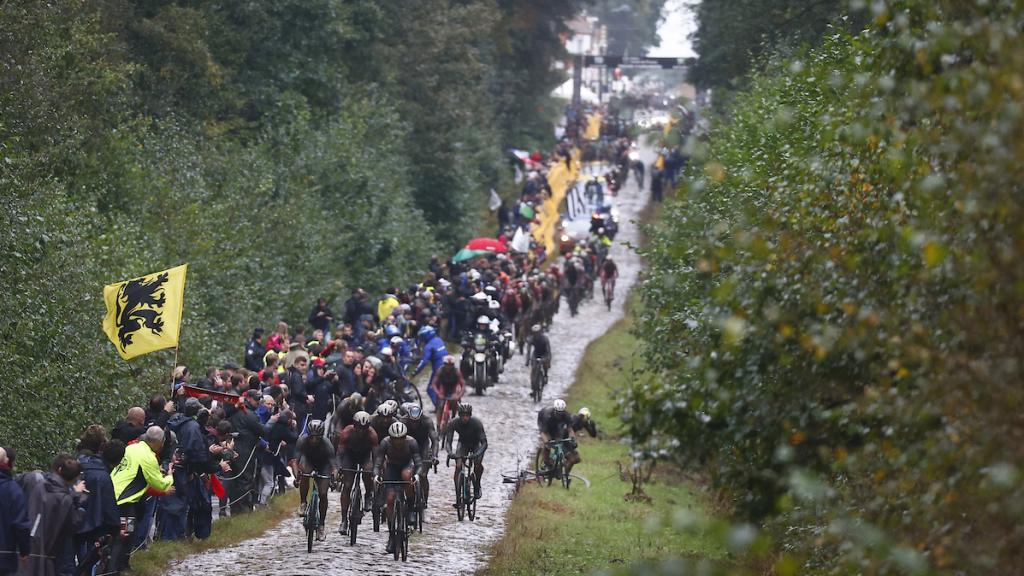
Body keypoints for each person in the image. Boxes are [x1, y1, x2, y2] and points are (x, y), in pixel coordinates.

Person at [16, 454, 86, 576]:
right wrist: (78, 502)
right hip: (48, 553)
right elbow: (73, 525)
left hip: (27, 543)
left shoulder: (39, 485)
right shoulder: (65, 499)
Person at [372, 422, 422, 555]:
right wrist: (376, 475)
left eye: (401, 439)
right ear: (391, 438)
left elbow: (418, 463)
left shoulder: (412, 443)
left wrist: (416, 475)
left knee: (406, 477)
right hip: (392, 468)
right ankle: (391, 534)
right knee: (389, 499)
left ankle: (411, 508)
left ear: (405, 437)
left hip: (407, 465)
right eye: (395, 439)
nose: (398, 442)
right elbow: (378, 462)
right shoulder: (385, 443)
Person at [75, 426, 119, 573]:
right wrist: (115, 527)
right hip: (92, 523)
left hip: (71, 518)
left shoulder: (73, 462)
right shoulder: (100, 471)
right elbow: (107, 503)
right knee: (87, 560)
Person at [228, 390, 276, 515]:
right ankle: (243, 510)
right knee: (245, 480)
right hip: (245, 450)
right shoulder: (248, 414)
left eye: (260, 399)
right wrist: (272, 421)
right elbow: (263, 430)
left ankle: (235, 509)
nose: (258, 402)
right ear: (248, 398)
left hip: (234, 447)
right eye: (256, 399)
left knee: (236, 480)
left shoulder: (236, 411)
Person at [334, 411, 378, 536]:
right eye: (359, 428)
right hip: (350, 456)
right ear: (354, 425)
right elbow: (339, 454)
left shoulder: (372, 435)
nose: (361, 431)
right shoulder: (346, 433)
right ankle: (343, 520)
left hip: (365, 456)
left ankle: (368, 494)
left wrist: (375, 471)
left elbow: (376, 456)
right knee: (347, 486)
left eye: (365, 428)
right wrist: (339, 468)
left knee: (368, 471)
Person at [292, 420, 335, 541]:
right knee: (305, 473)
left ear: (321, 437)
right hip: (309, 461)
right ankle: (303, 503)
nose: (314, 441)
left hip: (324, 465)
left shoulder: (327, 444)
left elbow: (334, 465)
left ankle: (321, 525)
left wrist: (334, 478)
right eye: (311, 437)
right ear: (308, 436)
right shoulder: (302, 441)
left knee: (323, 493)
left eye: (317, 438)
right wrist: (297, 476)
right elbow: (295, 460)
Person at [441, 403, 487, 501]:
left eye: (467, 415)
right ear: (459, 415)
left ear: (470, 415)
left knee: (477, 463)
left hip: (476, 444)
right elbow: (448, 442)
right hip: (463, 443)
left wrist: (477, 454)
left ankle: (477, 485)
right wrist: (450, 453)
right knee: (458, 466)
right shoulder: (453, 423)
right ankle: (458, 494)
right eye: (463, 415)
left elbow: (484, 443)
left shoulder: (477, 423)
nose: (465, 418)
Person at [0, 446, 30, 576]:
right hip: (4, 558)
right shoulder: (12, 490)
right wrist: (24, 551)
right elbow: (20, 524)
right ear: (6, 462)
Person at [401, 405, 438, 508]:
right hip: (407, 445)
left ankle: (424, 499)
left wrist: (434, 456)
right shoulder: (403, 421)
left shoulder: (427, 421)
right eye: (412, 421)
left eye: (416, 421)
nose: (414, 424)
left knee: (422, 475)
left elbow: (434, 440)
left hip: (423, 446)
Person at [537, 399, 580, 483]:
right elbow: (543, 432)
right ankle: (546, 464)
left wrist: (572, 438)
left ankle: (556, 463)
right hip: (543, 420)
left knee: (559, 439)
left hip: (556, 425)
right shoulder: (548, 415)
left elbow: (570, 429)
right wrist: (547, 442)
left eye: (561, 413)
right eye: (558, 413)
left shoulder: (566, 415)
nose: (560, 415)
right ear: (555, 410)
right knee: (548, 442)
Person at [412, 326, 448, 407]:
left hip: (438, 370)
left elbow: (424, 362)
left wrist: (415, 372)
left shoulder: (428, 346)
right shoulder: (439, 340)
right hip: (447, 367)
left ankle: (439, 407)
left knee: (431, 389)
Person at [430, 356, 465, 429]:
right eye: (447, 365)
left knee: (455, 401)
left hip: (453, 389)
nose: (448, 367)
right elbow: (434, 383)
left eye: (450, 365)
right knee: (440, 406)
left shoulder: (456, 371)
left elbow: (463, 385)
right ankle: (438, 425)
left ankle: (454, 417)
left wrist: (459, 395)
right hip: (444, 389)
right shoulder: (440, 370)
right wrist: (438, 393)